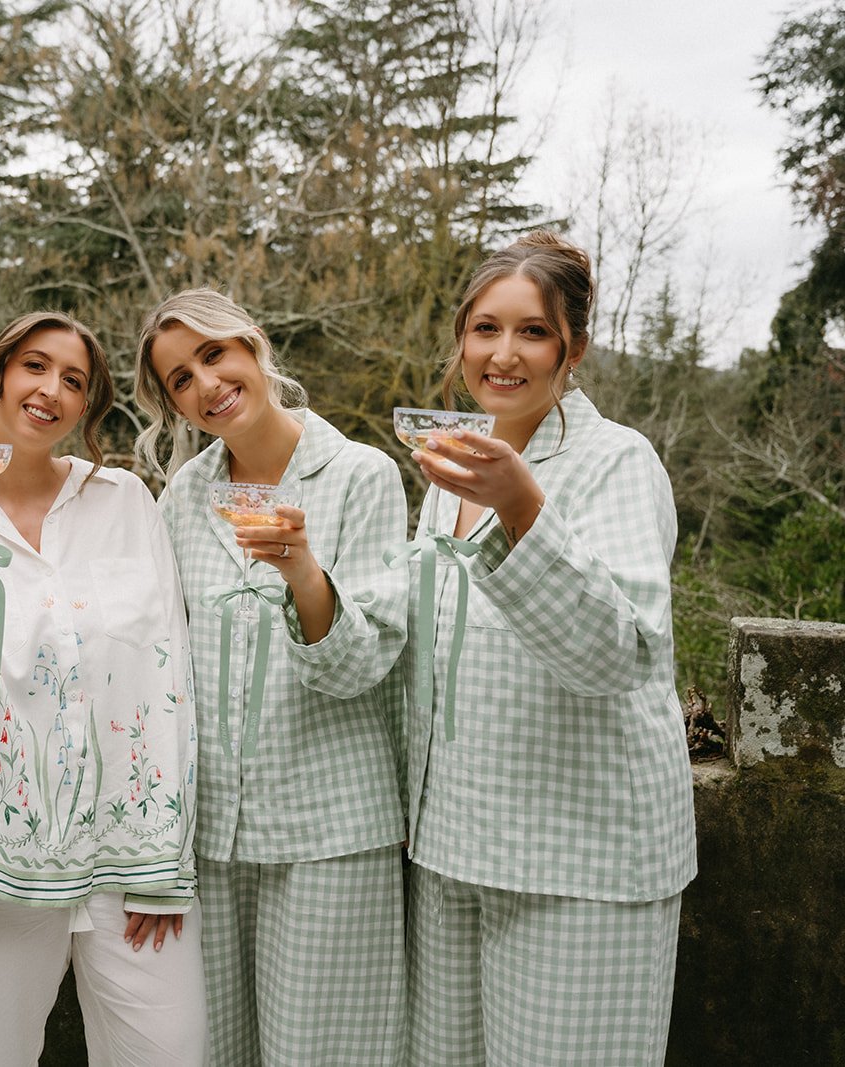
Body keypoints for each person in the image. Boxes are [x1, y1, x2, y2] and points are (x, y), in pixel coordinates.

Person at [398, 230, 698, 1065]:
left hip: (583, 858)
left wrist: (525, 506)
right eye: (484, 328)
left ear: (575, 347)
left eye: (531, 330)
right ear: (461, 341)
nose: (503, 353)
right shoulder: (449, 469)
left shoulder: (617, 462)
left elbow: (617, 656)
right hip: (456, 845)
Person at [0, 312, 206, 1067]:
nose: (51, 389)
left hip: (132, 864)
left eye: (75, 380)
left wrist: (164, 863)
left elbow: (170, 672)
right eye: (35, 366)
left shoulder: (126, 500)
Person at [134, 289, 412, 1066]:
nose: (206, 385)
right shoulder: (182, 497)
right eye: (179, 379)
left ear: (252, 346)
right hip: (210, 840)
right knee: (214, 1052)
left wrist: (300, 568)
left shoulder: (362, 476)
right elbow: (158, 658)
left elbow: (362, 665)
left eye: (213, 355)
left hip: (329, 832)